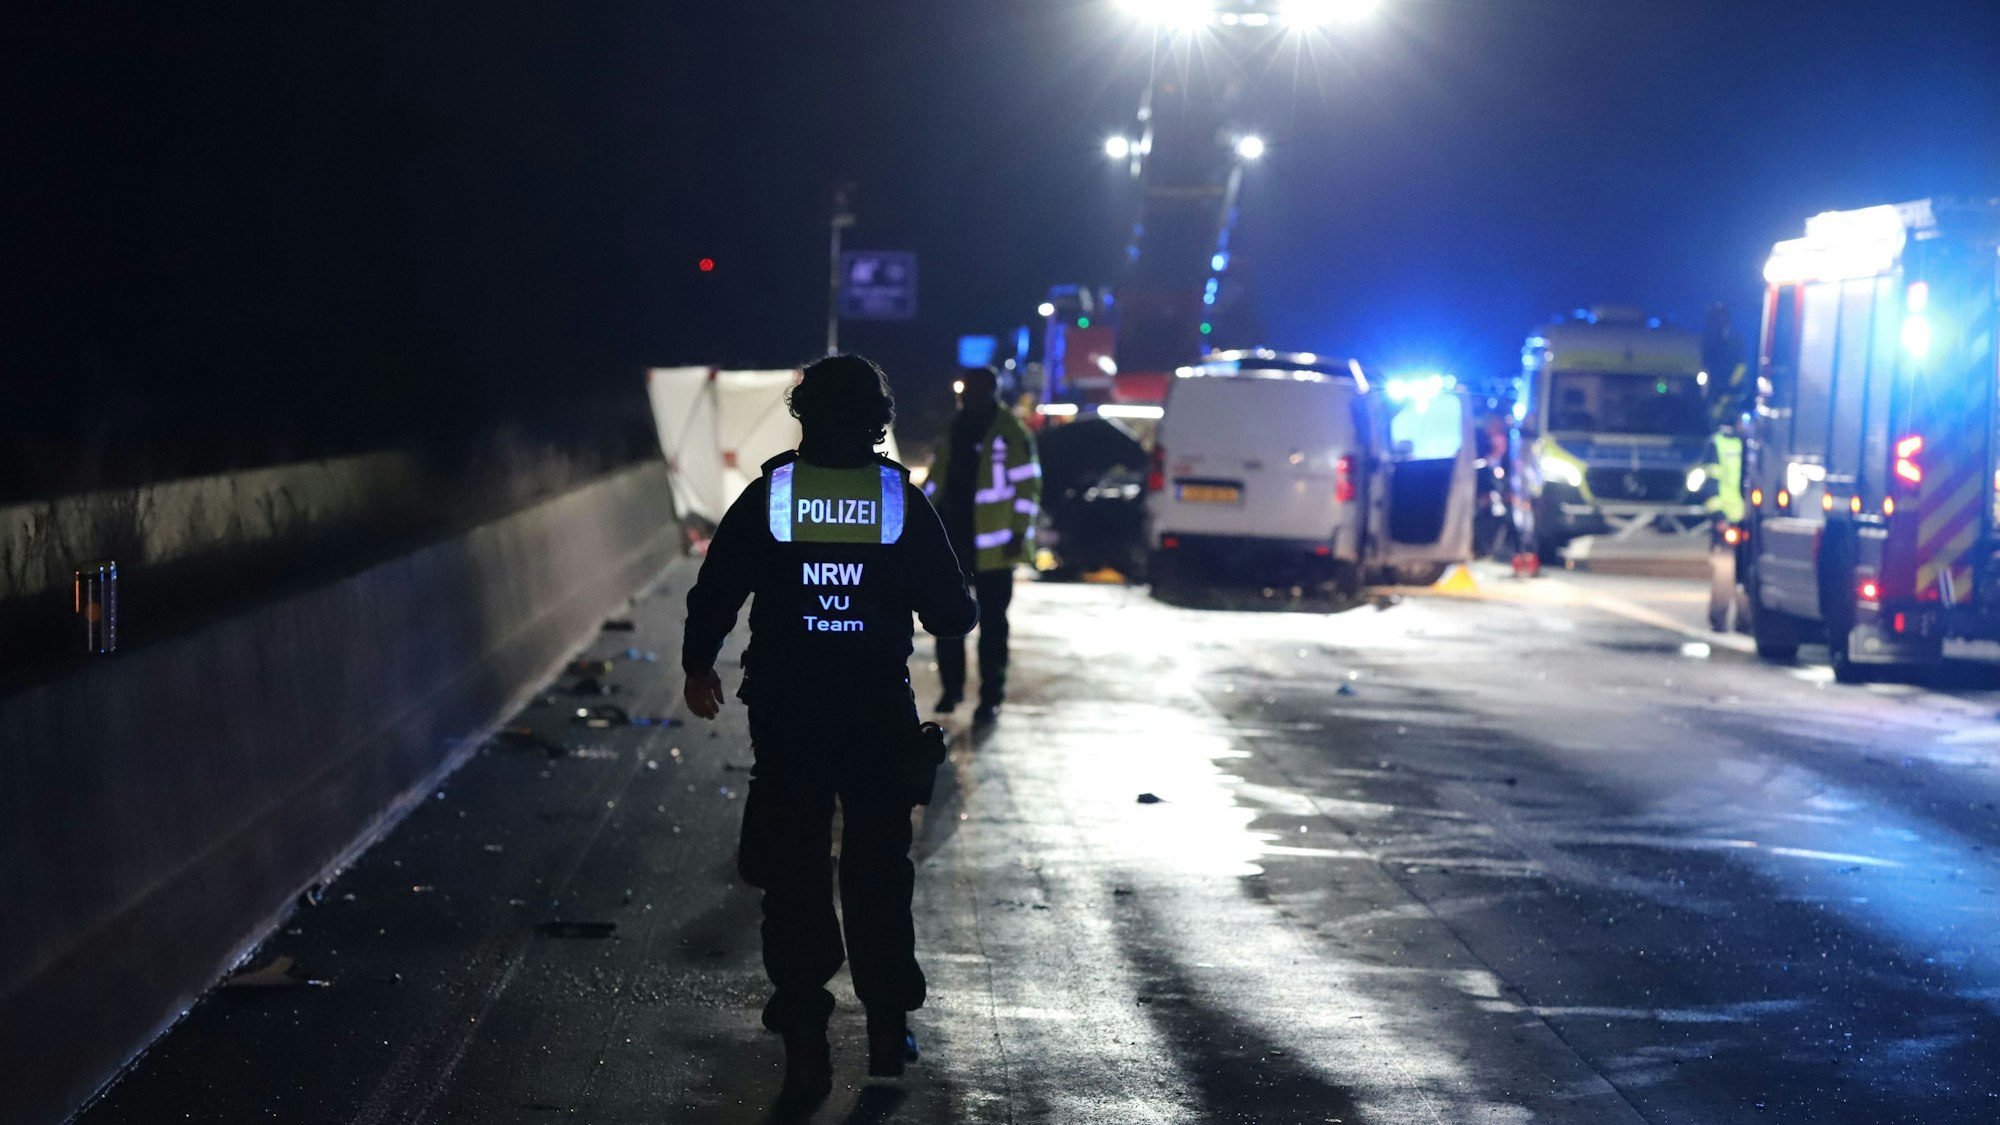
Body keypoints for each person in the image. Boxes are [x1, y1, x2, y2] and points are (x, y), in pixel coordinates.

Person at [681, 354, 977, 1104]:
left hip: (788, 710)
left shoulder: (770, 495)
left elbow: (715, 589)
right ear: (879, 423)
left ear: (802, 415)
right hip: (876, 710)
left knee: (795, 869)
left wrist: (698, 665)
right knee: (879, 867)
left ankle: (807, 1036)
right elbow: (952, 614)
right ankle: (884, 1028)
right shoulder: (899, 503)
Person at [924, 366, 1040, 724]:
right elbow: (936, 480)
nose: (968, 397)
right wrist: (917, 515)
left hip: (994, 549)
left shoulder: (1010, 431)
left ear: (990, 391)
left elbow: (1027, 488)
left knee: (993, 625)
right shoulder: (953, 427)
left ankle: (991, 697)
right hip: (952, 543)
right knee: (948, 619)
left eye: (974, 390)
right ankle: (952, 688)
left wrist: (1018, 533)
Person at [1699, 419, 1746, 631]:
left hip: (1746, 520)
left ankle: (1745, 622)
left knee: (1745, 572)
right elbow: (1710, 484)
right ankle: (1719, 619)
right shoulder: (1716, 445)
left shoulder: (1749, 443)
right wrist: (1718, 517)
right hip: (1726, 519)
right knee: (1724, 573)